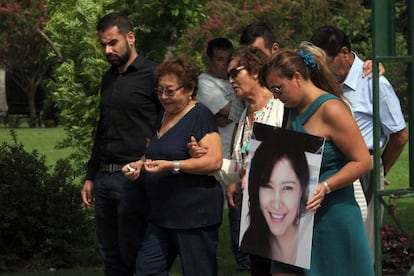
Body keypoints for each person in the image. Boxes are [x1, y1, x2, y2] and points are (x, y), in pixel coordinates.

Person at [262, 45, 374, 275]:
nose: (275, 96)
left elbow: (363, 162)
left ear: (297, 77)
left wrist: (325, 186)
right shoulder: (292, 109)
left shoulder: (332, 109)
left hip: (331, 217)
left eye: (278, 88)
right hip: (293, 219)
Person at [310, 25, 408, 260]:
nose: (324, 68)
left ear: (345, 53)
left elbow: (400, 135)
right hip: (329, 169)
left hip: (363, 169)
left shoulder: (374, 83)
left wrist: (378, 167)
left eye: (328, 61)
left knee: (361, 243)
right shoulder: (324, 82)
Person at [123, 54, 224, 276]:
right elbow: (155, 152)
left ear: (189, 89)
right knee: (147, 269)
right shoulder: (162, 116)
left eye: (170, 91)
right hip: (162, 214)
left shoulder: (200, 116)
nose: (163, 97)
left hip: (194, 214)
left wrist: (172, 165)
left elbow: (214, 161)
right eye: (159, 91)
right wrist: (139, 165)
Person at [189, 46, 285, 276]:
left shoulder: (281, 109)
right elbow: (240, 168)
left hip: (282, 213)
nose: (230, 79)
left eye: (235, 72)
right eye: (228, 74)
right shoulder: (246, 114)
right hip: (254, 213)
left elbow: (290, 163)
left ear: (255, 71)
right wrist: (207, 159)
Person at [80, 12, 160, 276]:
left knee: (133, 252)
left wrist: (147, 160)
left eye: (113, 42)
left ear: (130, 37)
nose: (108, 50)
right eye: (103, 44)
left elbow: (166, 126)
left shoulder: (153, 75)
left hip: (134, 178)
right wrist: (91, 176)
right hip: (104, 177)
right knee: (109, 254)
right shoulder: (109, 78)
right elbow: (102, 128)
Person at [196, 37, 250, 270]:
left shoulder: (230, 81)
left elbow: (235, 113)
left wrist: (229, 114)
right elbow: (236, 111)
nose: (223, 65)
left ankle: (245, 257)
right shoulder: (204, 83)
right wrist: (233, 112)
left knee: (240, 210)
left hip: (237, 154)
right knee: (215, 212)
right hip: (216, 156)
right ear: (208, 59)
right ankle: (224, 259)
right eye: (218, 59)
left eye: (228, 60)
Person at [241, 131, 314, 268]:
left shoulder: (313, 246)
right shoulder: (253, 241)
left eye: (287, 188)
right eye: (267, 186)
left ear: (302, 189)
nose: (276, 203)